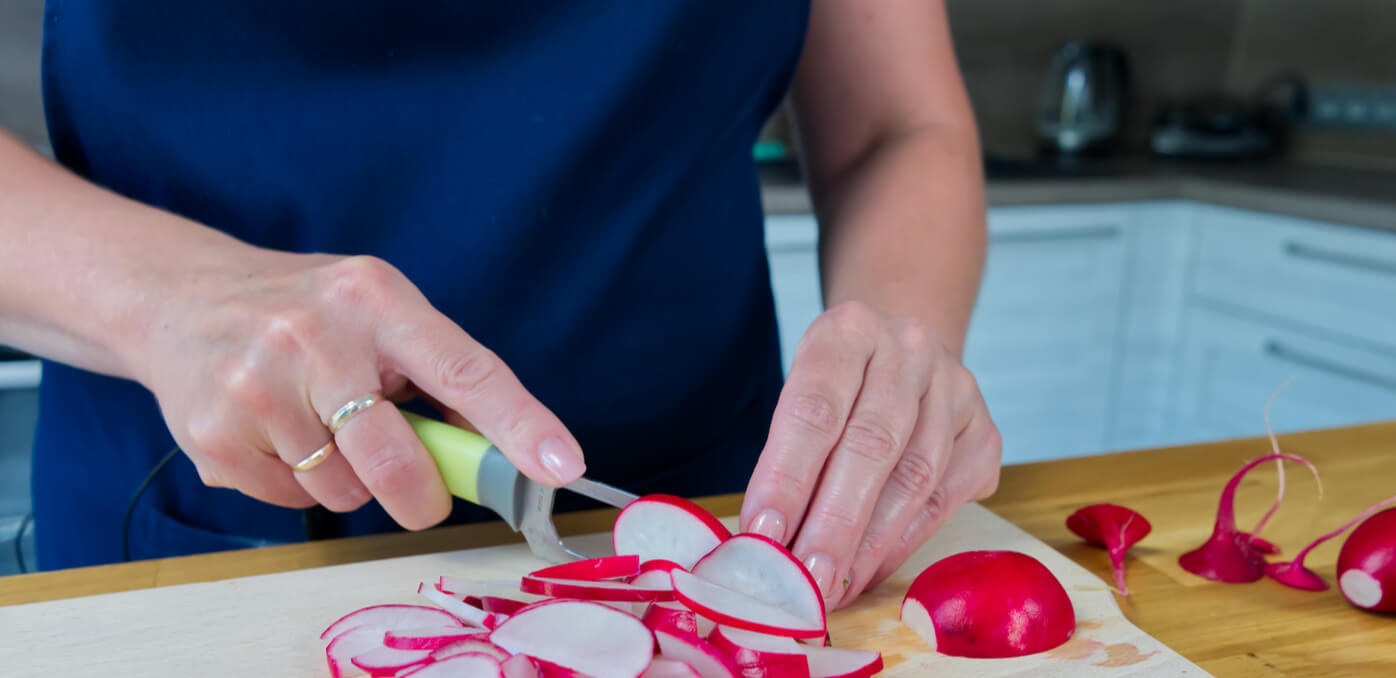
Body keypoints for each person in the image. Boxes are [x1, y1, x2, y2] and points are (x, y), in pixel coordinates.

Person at [0, 1, 1001, 609]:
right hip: (207, 517)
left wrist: (899, 341)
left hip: (710, 499)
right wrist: (162, 298)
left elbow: (896, 126)